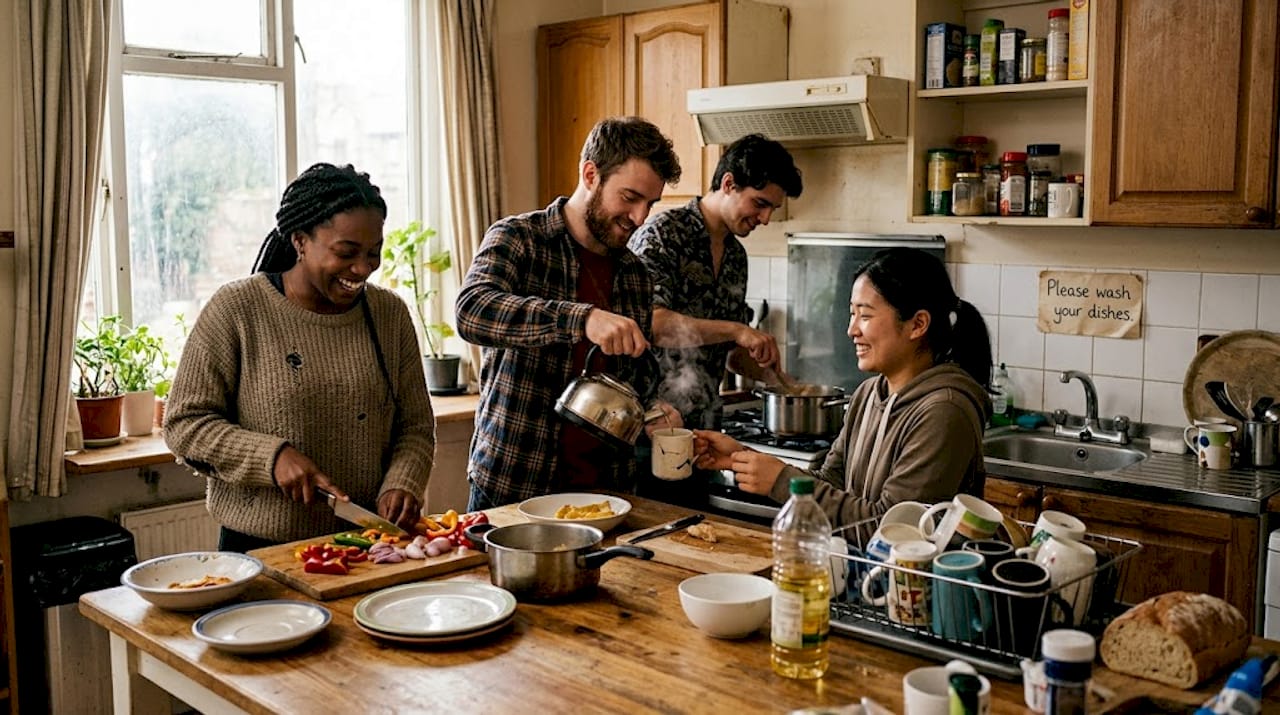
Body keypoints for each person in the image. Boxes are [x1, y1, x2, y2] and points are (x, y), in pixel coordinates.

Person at [164, 163, 436, 552]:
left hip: (366, 549)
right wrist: (272, 458)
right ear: (299, 241)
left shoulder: (389, 314)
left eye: (373, 252)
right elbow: (184, 425)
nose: (363, 269)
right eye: (346, 252)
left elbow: (415, 426)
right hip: (260, 552)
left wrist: (403, 481)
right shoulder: (238, 309)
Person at [456, 116, 684, 511]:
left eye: (650, 203)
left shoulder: (636, 275)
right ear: (591, 174)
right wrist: (581, 319)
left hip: (606, 492)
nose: (640, 217)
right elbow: (472, 311)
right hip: (513, 482)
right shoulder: (519, 238)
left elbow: (635, 373)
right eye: (630, 197)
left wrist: (653, 409)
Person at [693, 247, 992, 529]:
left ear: (917, 325)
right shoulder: (867, 394)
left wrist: (779, 481)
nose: (851, 330)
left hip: (913, 584)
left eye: (865, 315)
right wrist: (742, 459)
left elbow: (890, 530)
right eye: (852, 313)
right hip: (859, 578)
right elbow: (830, 484)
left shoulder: (944, 411)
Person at [627, 133, 803, 430]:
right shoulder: (663, 235)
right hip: (649, 426)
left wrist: (779, 380)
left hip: (706, 427)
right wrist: (738, 330)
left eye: (772, 208)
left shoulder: (736, 256)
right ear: (729, 184)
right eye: (760, 204)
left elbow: (731, 355)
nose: (765, 219)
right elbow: (652, 324)